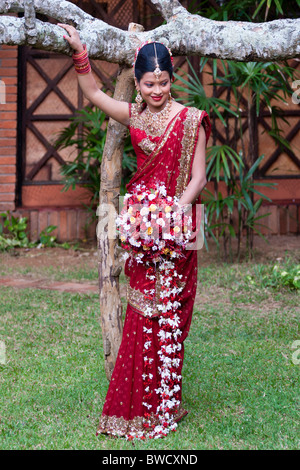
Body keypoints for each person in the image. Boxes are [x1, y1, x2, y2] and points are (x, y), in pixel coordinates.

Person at [58, 24, 211, 440]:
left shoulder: (191, 119)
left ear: (171, 79)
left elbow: (197, 177)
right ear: (138, 83)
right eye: (148, 83)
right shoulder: (134, 115)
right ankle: (138, 402)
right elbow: (93, 94)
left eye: (163, 82)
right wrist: (80, 54)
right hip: (140, 228)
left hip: (179, 227)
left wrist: (174, 214)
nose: (156, 90)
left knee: (175, 312)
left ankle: (167, 400)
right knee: (144, 309)